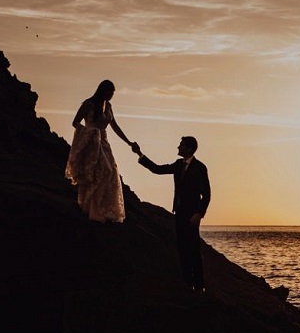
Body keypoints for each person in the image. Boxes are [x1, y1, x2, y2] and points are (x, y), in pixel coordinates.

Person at [136, 137, 211, 291]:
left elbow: (207, 194)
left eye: (181, 145)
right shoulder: (178, 165)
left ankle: (199, 285)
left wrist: (199, 213)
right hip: (179, 212)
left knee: (194, 249)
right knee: (182, 248)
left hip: (192, 215)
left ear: (189, 149)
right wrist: (140, 154)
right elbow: (157, 169)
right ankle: (187, 283)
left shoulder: (200, 168)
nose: (178, 147)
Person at [66, 80, 139, 223]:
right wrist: (89, 132)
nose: (111, 95)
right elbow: (75, 122)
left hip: (104, 143)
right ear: (102, 91)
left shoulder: (108, 106)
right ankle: (91, 208)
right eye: (109, 92)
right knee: (99, 171)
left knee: (111, 172)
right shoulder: (89, 104)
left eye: (112, 93)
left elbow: (115, 126)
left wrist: (129, 142)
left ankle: (104, 209)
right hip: (92, 142)